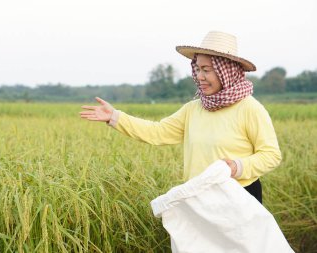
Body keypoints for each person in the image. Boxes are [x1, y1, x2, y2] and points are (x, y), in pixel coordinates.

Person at [80, 31, 282, 203]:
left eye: (206, 70)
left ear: (227, 71)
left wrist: (237, 167)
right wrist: (115, 117)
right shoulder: (194, 109)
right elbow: (158, 132)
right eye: (197, 69)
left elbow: (271, 155)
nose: (199, 77)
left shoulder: (249, 108)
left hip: (240, 197)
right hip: (199, 196)